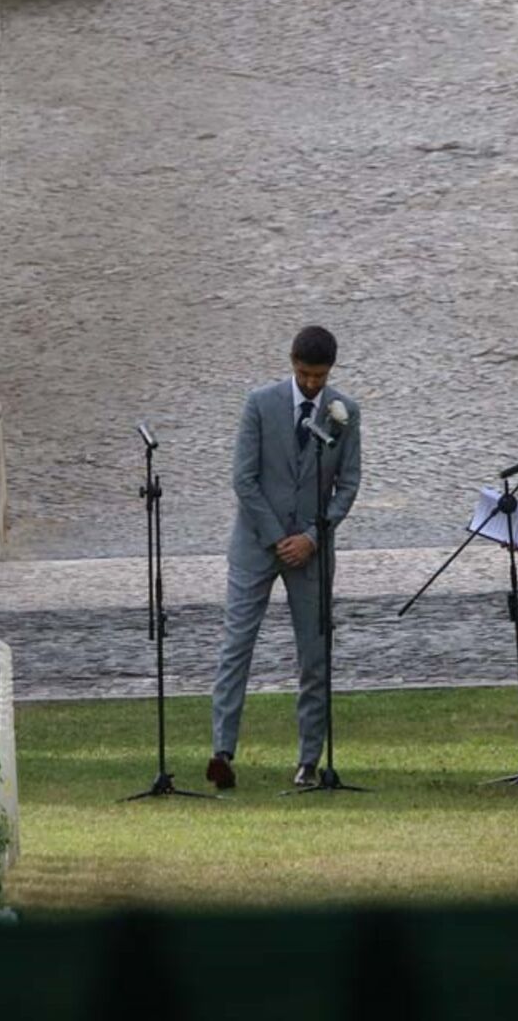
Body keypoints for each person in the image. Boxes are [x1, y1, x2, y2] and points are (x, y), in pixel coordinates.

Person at [206, 325, 361, 788]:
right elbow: (244, 480)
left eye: (319, 375)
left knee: (314, 654)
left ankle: (309, 760)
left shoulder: (344, 412)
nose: (312, 383)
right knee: (236, 646)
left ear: (330, 370)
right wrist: (279, 538)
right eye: (303, 373)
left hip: (312, 551)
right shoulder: (259, 404)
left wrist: (312, 536)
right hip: (256, 545)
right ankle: (221, 751)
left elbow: (348, 485)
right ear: (291, 363)